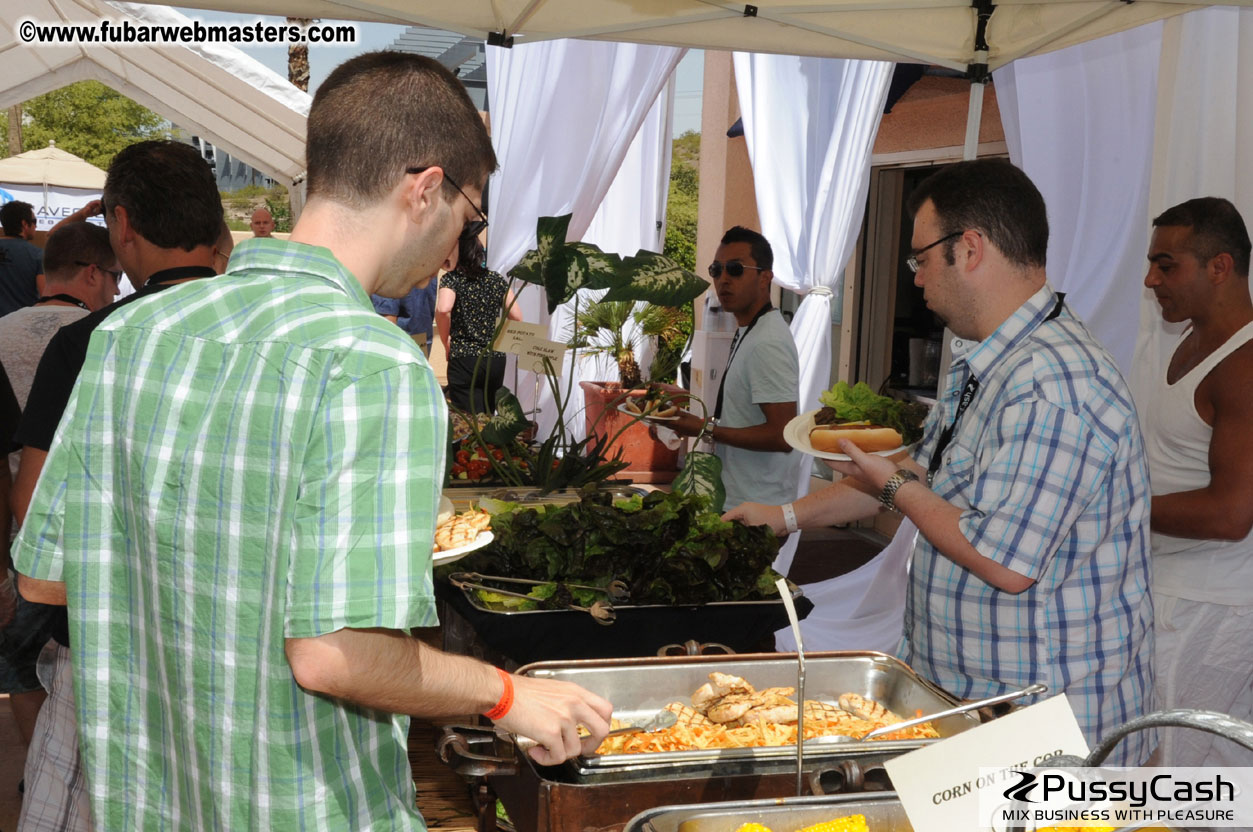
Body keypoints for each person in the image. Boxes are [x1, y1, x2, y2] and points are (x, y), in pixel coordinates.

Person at [13, 53, 610, 831]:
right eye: (467, 216)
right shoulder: (372, 363)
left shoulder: (133, 333)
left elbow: (46, 579)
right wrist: (506, 693)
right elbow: (334, 654)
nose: (458, 250)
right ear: (423, 186)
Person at [727, 159, 1155, 765]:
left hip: (1045, 722)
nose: (917, 278)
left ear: (971, 248)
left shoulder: (1055, 384)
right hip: (971, 699)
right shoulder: (987, 360)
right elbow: (926, 477)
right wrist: (783, 516)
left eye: (921, 258)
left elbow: (1003, 559)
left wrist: (894, 484)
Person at [11, 140, 224, 832]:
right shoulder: (272, 341)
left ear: (122, 226)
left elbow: (32, 504)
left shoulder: (89, 342)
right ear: (218, 233)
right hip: (239, 648)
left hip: (108, 648)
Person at [1135, 197, 1253, 767]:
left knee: (1166, 783)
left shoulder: (1245, 366)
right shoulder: (1187, 339)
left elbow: (1233, 514)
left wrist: (1119, 503)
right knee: (1219, 788)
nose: (1151, 278)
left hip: (1213, 605)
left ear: (1220, 267)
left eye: (1166, 264)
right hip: (1174, 591)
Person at [0, 221, 118, 761]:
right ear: (93, 272)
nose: (115, 292)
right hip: (90, 537)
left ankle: (34, 774)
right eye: (113, 279)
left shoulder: (2, 331)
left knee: (20, 665)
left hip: (18, 529)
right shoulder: (108, 338)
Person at [668, 226, 800, 511]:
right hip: (741, 499)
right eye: (716, 270)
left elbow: (783, 435)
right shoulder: (749, 329)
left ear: (765, 277)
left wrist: (705, 428)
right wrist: (681, 405)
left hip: (757, 507)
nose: (723, 279)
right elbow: (740, 414)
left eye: (736, 269)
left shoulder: (768, 341)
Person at [436, 235, 522, 412]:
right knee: (488, 416)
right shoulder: (495, 279)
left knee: (467, 420)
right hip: (494, 360)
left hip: (464, 357)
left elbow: (444, 309)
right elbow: (517, 316)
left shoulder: (452, 279)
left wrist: (446, 342)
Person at [373, 279, 440, 354]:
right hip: (422, 337)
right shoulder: (427, 268)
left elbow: (387, 318)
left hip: (398, 341)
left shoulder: (390, 271)